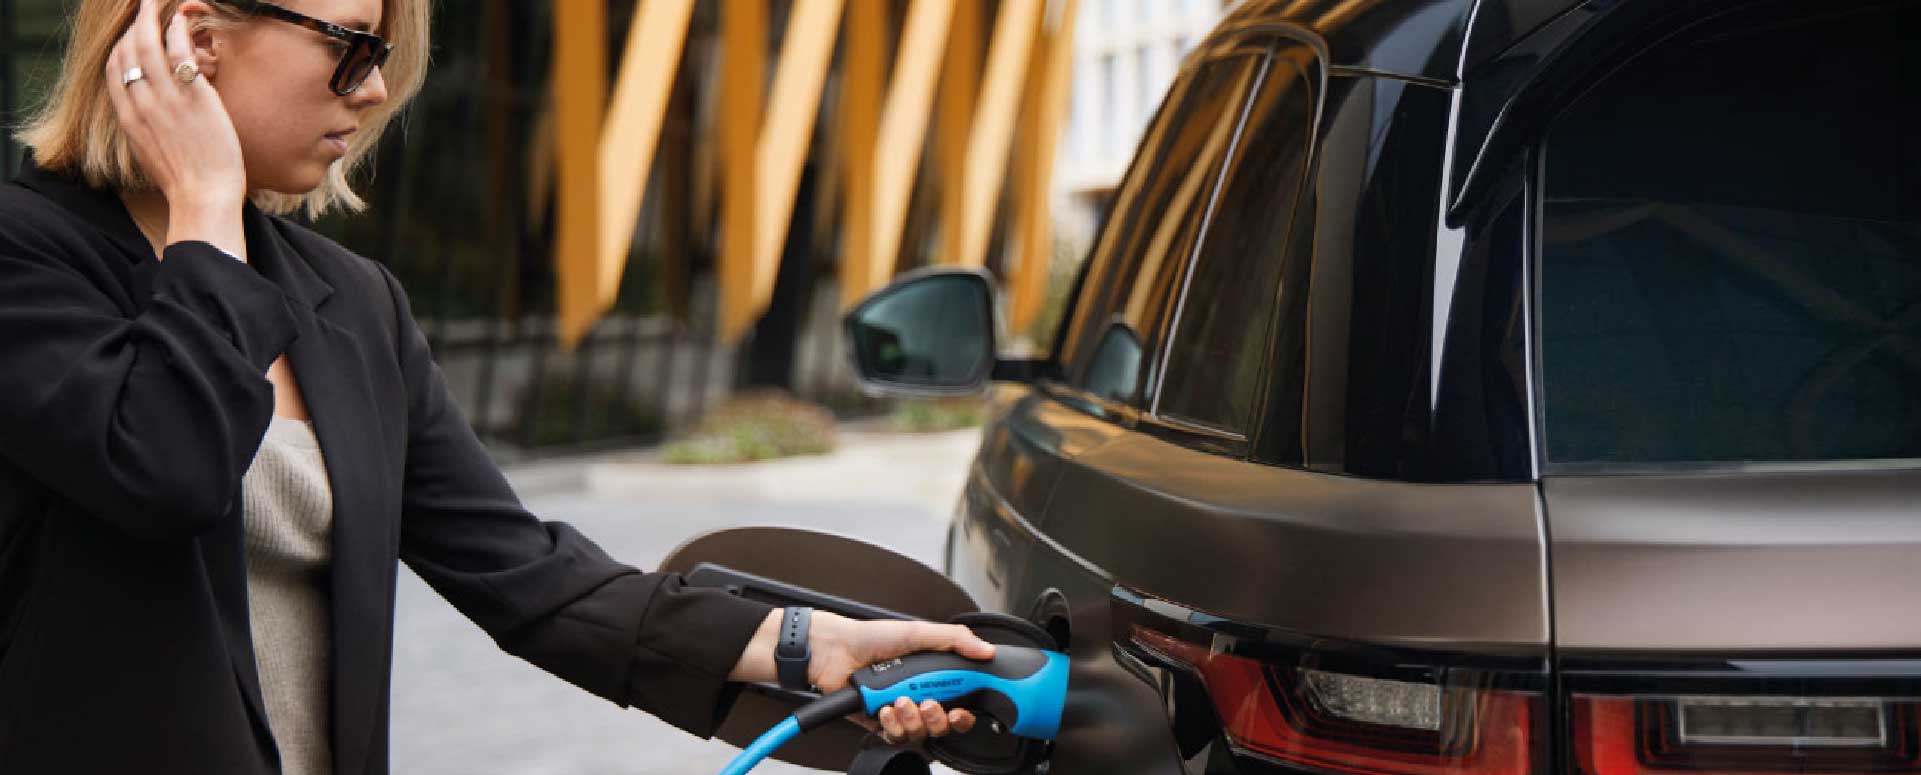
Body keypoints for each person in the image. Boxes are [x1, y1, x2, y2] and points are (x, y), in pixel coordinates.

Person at [0, 1, 990, 772]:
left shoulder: (351, 302)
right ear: (196, 39)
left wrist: (806, 646)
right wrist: (206, 203)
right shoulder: (26, 258)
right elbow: (167, 470)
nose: (373, 90)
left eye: (383, 56)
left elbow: (529, 575)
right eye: (349, 48)